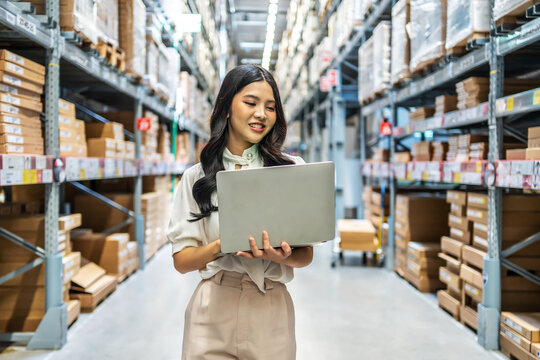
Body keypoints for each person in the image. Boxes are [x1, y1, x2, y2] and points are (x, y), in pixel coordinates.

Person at [167, 65, 314, 360]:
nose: (261, 114)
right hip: (212, 310)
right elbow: (182, 261)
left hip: (270, 309)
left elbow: (306, 255)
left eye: (270, 107)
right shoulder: (196, 178)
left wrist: (278, 256)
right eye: (251, 103)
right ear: (227, 108)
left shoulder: (291, 171)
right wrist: (224, 244)